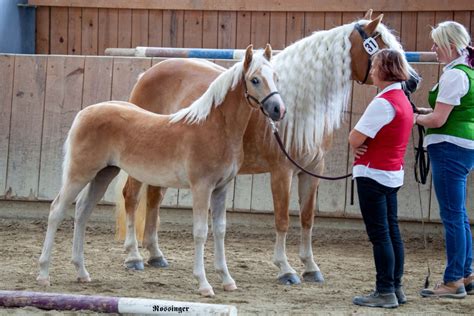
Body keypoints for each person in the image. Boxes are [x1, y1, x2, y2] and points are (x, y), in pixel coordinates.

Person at [349, 48, 413, 308]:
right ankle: (395, 287)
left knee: (380, 235)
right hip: (391, 173)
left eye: (375, 66)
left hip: (373, 174)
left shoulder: (383, 102)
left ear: (385, 71)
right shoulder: (403, 99)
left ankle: (385, 290)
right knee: (391, 232)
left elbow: (355, 138)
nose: (372, 71)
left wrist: (359, 144)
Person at [416, 21, 474, 299]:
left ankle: (453, 282)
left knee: (451, 216)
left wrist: (414, 118)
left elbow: (438, 119)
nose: (433, 50)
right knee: (459, 215)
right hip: (461, 145)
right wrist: (424, 112)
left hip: (450, 147)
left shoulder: (454, 76)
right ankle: (466, 272)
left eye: (437, 45)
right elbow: (448, 111)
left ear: (451, 46)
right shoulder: (466, 72)